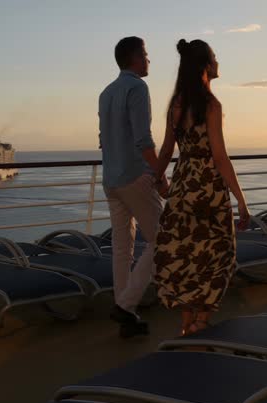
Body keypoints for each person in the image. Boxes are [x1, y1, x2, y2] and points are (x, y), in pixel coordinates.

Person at [153, 39, 250, 336]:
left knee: (185, 253)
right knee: (219, 255)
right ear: (206, 66)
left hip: (183, 185)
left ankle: (185, 323)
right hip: (208, 188)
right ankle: (200, 324)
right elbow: (220, 157)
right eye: (215, 58)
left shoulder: (177, 105)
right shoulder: (211, 105)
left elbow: (167, 150)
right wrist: (242, 202)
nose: (218, 63)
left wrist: (159, 181)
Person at [98, 36, 169, 338]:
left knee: (122, 249)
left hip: (111, 180)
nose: (149, 60)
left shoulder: (106, 92)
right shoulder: (137, 88)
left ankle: (124, 311)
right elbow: (144, 139)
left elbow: (104, 139)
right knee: (165, 238)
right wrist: (160, 174)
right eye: (146, 54)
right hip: (135, 177)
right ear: (134, 58)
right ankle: (126, 306)